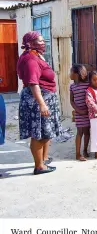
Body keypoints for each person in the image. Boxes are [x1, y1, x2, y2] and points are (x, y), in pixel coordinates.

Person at [17, 31, 61, 175]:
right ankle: (39, 166)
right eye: (40, 41)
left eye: (43, 40)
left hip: (44, 98)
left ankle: (42, 161)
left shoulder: (35, 56)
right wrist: (42, 104)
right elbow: (33, 83)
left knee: (45, 132)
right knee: (39, 133)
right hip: (37, 100)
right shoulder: (30, 59)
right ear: (30, 43)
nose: (43, 43)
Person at [70, 64, 90, 161]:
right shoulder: (72, 86)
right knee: (79, 132)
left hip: (88, 112)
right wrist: (78, 110)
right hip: (79, 113)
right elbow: (72, 101)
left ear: (77, 74)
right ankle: (77, 154)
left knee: (87, 132)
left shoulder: (88, 85)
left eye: (71, 72)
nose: (69, 74)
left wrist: (87, 110)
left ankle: (85, 150)